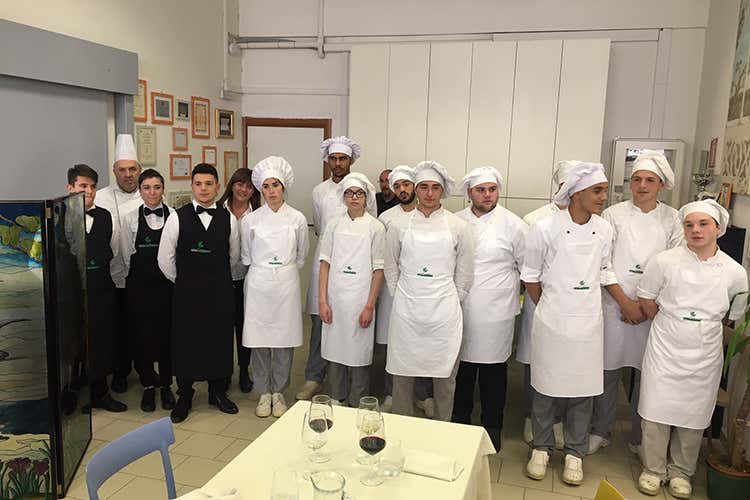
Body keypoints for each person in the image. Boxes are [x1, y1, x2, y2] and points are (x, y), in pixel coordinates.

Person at [635, 199, 748, 498]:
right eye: (689, 225)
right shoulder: (664, 261)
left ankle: (681, 472)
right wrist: (672, 322)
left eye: (703, 224)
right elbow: (646, 297)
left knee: (694, 413)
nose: (695, 230)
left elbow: (734, 313)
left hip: (705, 349)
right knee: (655, 407)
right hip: (666, 342)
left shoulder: (735, 271)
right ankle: (653, 469)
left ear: (718, 229)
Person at [522, 162, 612, 485]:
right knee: (545, 386)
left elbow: (604, 269)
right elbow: (530, 276)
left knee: (583, 389)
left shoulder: (605, 229)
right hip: (553, 321)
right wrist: (552, 305)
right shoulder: (545, 228)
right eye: (597, 191)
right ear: (576, 194)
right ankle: (541, 447)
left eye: (603, 190)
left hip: (588, 323)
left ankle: (575, 452)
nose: (603, 197)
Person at [588, 151, 683, 455]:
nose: (642, 185)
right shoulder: (612, 215)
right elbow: (602, 263)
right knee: (607, 371)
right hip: (614, 303)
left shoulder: (673, 219)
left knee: (649, 376)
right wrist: (626, 303)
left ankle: (641, 438)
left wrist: (646, 305)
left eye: (650, 180)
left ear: (661, 185)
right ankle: (600, 430)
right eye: (637, 179)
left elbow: (676, 266)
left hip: (653, 310)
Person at [385, 160, 474, 421]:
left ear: (443, 191)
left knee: (444, 376)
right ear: (416, 189)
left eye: (435, 187)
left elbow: (465, 273)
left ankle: (443, 427)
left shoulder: (458, 226)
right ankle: (401, 424)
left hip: (443, 312)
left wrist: (449, 299)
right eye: (423, 187)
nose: (429, 193)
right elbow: (390, 266)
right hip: (407, 310)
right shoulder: (399, 225)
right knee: (402, 374)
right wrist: (403, 295)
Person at [451, 166, 527, 451]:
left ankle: (491, 428)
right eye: (480, 190)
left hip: (497, 312)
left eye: (492, 189)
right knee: (462, 370)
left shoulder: (514, 225)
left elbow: (527, 269)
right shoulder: (455, 221)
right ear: (469, 193)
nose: (487, 195)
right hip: (461, 308)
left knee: (493, 374)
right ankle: (459, 423)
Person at [157, 163, 240, 423]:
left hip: (219, 292)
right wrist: (183, 281)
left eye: (208, 184)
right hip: (187, 294)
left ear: (218, 186)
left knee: (219, 341)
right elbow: (164, 259)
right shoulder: (176, 217)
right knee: (186, 342)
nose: (203, 189)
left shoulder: (229, 219)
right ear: (192, 186)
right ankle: (185, 395)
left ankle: (218, 392)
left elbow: (234, 257)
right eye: (198, 184)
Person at [517, 160, 580, 446]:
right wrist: (545, 302)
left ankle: (560, 421)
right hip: (540, 300)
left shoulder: (592, 222)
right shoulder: (535, 220)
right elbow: (528, 268)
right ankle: (533, 418)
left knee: (568, 364)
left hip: (575, 308)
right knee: (537, 361)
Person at [241, 157, 309, 418]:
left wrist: (283, 270)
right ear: (260, 189)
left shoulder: (297, 218)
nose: (271, 191)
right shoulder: (251, 220)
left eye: (276, 185)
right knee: (259, 340)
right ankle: (263, 392)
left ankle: (278, 391)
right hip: (259, 283)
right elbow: (246, 255)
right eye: (266, 186)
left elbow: (302, 254)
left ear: (284, 187)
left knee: (283, 340)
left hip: (286, 282)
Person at [297, 136, 361, 400]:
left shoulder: (360, 187)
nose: (337, 163)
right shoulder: (319, 191)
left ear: (350, 160)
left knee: (350, 321)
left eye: (342, 158)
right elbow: (319, 226)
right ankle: (314, 376)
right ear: (328, 161)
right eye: (333, 159)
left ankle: (348, 381)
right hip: (325, 259)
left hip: (354, 261)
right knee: (319, 321)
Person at [319, 172, 386, 406]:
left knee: (359, 355)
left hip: (361, 300)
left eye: (359, 193)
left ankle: (358, 402)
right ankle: (337, 398)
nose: (354, 197)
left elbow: (379, 270)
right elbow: (325, 263)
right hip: (335, 299)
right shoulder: (334, 225)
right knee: (335, 351)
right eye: (349, 193)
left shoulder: (376, 228)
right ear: (343, 197)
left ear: (367, 197)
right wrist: (322, 301)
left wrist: (370, 306)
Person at [66, 164, 127, 412]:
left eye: (92, 186)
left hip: (102, 288)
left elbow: (110, 250)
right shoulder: (59, 217)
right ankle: (78, 396)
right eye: (83, 186)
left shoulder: (104, 216)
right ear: (70, 188)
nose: (89, 191)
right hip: (72, 292)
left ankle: (101, 393)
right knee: (76, 344)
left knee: (102, 341)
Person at [376, 165, 431, 413]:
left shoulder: (429, 216)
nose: (402, 190)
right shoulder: (386, 219)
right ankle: (392, 393)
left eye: (406, 184)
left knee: (421, 341)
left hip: (423, 290)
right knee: (394, 342)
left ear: (415, 187)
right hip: (393, 291)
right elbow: (383, 258)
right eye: (397, 186)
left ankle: (423, 394)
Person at [120, 169, 175, 412]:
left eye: (157, 187)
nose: (152, 192)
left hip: (167, 287)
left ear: (163, 189)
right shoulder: (130, 218)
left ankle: (166, 386)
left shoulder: (174, 216)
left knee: (166, 338)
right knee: (142, 338)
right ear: (140, 190)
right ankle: (148, 386)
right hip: (139, 288)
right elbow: (125, 255)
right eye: (147, 187)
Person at [96, 134, 144, 393]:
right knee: (116, 328)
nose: (128, 175)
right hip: (110, 275)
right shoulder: (100, 197)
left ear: (139, 170)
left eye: (132, 169)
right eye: (122, 169)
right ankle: (120, 372)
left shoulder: (149, 194)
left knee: (140, 325)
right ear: (114, 171)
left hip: (140, 276)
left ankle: (144, 369)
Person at [218, 168, 260, 394]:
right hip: (220, 280)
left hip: (247, 279)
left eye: (249, 186)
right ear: (231, 185)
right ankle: (223, 373)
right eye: (240, 184)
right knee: (222, 329)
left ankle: (244, 370)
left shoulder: (259, 214)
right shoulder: (217, 209)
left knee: (244, 328)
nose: (244, 190)